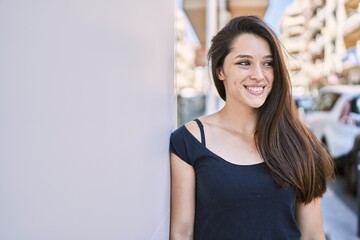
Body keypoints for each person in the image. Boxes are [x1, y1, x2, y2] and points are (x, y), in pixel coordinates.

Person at [169, 16, 334, 240]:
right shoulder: (188, 142)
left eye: (268, 63)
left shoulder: (298, 142)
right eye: (244, 62)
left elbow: (313, 236)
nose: (259, 75)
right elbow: (182, 232)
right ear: (220, 71)